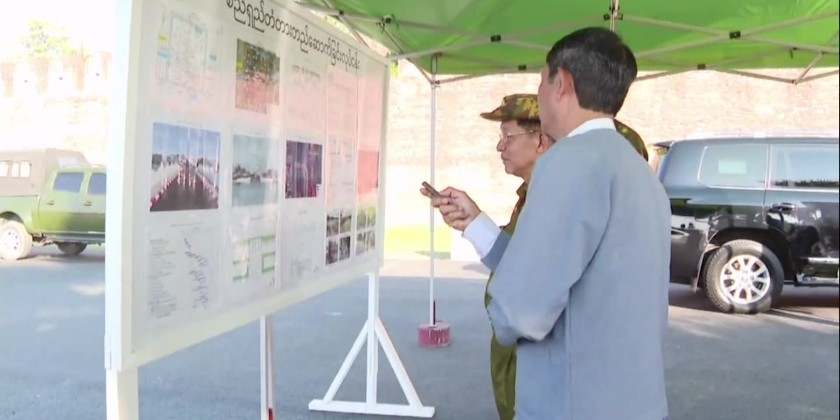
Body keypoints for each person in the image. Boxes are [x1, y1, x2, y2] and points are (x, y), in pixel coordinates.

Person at [431, 27, 672, 420]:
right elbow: (577, 276)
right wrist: (476, 224)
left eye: (542, 82)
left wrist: (503, 310)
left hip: (575, 404)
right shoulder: (639, 172)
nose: (539, 95)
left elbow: (520, 310)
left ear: (563, 84)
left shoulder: (569, 162)